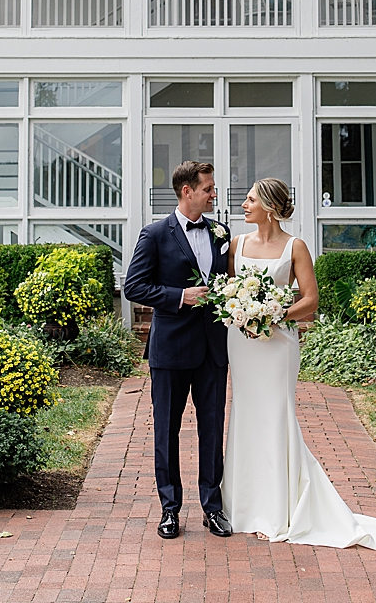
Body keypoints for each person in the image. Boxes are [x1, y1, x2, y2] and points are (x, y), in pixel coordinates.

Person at [221, 178, 376, 550]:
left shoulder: (295, 247)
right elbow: (228, 290)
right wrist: (243, 312)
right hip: (241, 342)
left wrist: (275, 314)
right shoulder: (236, 245)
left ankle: (277, 510)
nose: (243, 205)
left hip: (277, 345)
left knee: (276, 415)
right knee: (244, 414)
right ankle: (241, 508)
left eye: (250, 199)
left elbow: (310, 300)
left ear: (270, 208)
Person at [121, 157, 233, 539]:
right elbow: (133, 287)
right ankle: (170, 509)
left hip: (213, 351)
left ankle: (212, 508)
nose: (213, 194)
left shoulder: (221, 232)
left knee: (212, 430)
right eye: (208, 189)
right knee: (166, 432)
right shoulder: (154, 234)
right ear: (188, 191)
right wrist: (179, 296)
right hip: (169, 350)